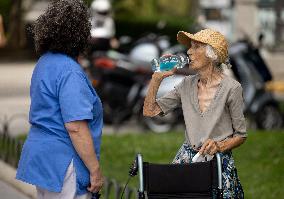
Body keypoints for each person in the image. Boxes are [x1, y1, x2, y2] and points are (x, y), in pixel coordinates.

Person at [143, 29, 247, 198]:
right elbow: (149, 111)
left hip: (218, 162)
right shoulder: (186, 84)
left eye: (196, 47)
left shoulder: (232, 88)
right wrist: (156, 79)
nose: (189, 51)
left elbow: (241, 136)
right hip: (188, 159)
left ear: (211, 54)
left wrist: (219, 145)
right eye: (190, 47)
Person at [16, 1, 104, 199]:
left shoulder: (45, 62)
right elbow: (75, 126)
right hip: (64, 162)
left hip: (43, 158)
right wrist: (95, 170)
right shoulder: (70, 71)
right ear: (80, 34)